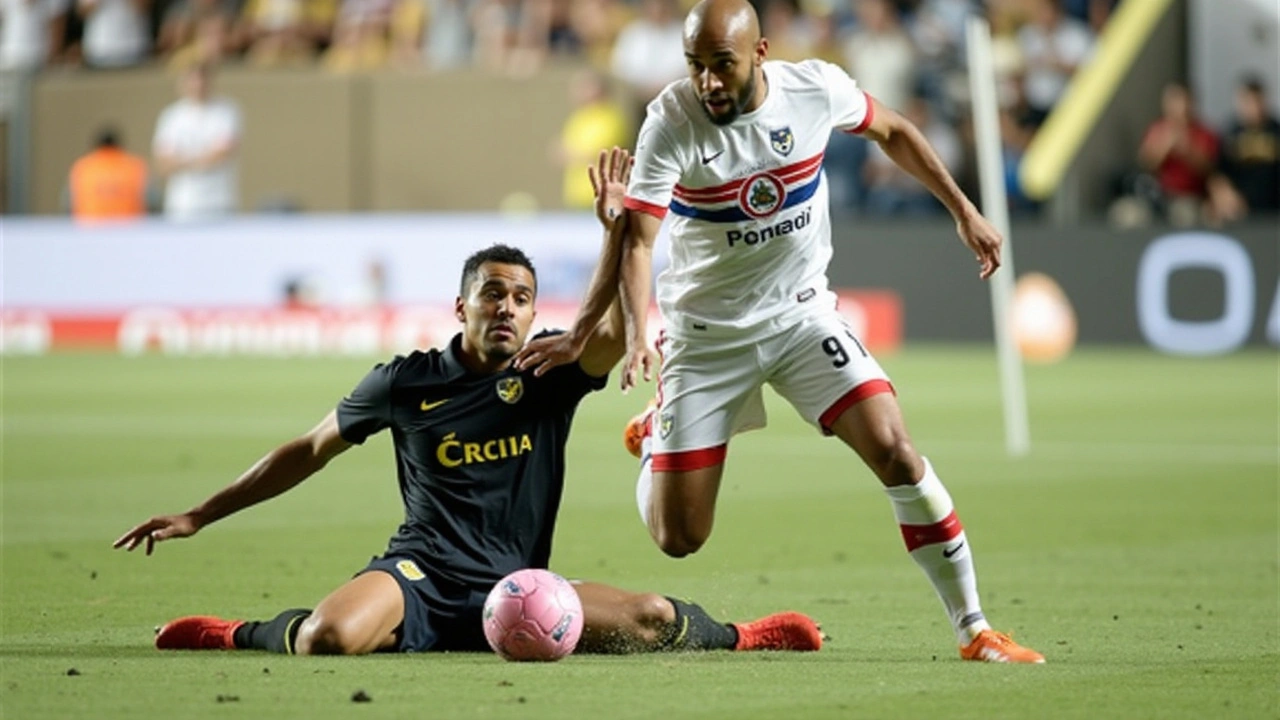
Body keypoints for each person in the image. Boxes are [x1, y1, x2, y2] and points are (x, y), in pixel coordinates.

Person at [113, 149, 822, 657]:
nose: (507, 309)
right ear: (461, 305)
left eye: (521, 297)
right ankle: (236, 633)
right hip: (420, 574)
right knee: (328, 638)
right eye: (492, 294)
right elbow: (306, 450)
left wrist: (615, 229)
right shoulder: (404, 382)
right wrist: (199, 514)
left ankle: (745, 636)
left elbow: (608, 331)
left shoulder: (549, 368)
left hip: (519, 585)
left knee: (651, 616)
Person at [513, 0, 1044, 664]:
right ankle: (657, 434)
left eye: (721, 65)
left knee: (897, 452)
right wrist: (640, 332)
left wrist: (965, 212)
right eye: (695, 66)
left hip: (801, 317)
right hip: (706, 338)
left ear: (759, 55)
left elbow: (896, 131)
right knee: (679, 538)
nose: (707, 81)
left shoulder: (815, 89)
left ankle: (974, 629)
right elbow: (640, 241)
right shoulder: (671, 121)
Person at [152, 60, 242, 222]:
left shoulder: (226, 112)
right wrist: (199, 160)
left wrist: (183, 161)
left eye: (202, 79)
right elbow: (164, 164)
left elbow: (222, 154)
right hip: (182, 206)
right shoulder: (171, 117)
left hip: (219, 204)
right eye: (193, 79)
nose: (198, 85)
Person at [67, 126, 149, 223]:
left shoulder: (83, 167)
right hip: (128, 228)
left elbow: (70, 200)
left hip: (89, 227)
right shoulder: (135, 166)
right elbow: (149, 199)